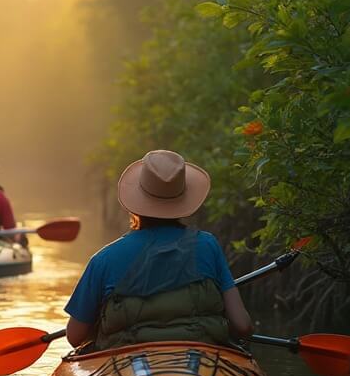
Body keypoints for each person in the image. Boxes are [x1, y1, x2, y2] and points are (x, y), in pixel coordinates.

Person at [65, 150, 253, 351]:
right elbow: (242, 326)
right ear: (183, 200)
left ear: (134, 204)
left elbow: (75, 336)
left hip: (125, 369)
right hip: (202, 364)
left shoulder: (103, 260)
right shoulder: (208, 246)